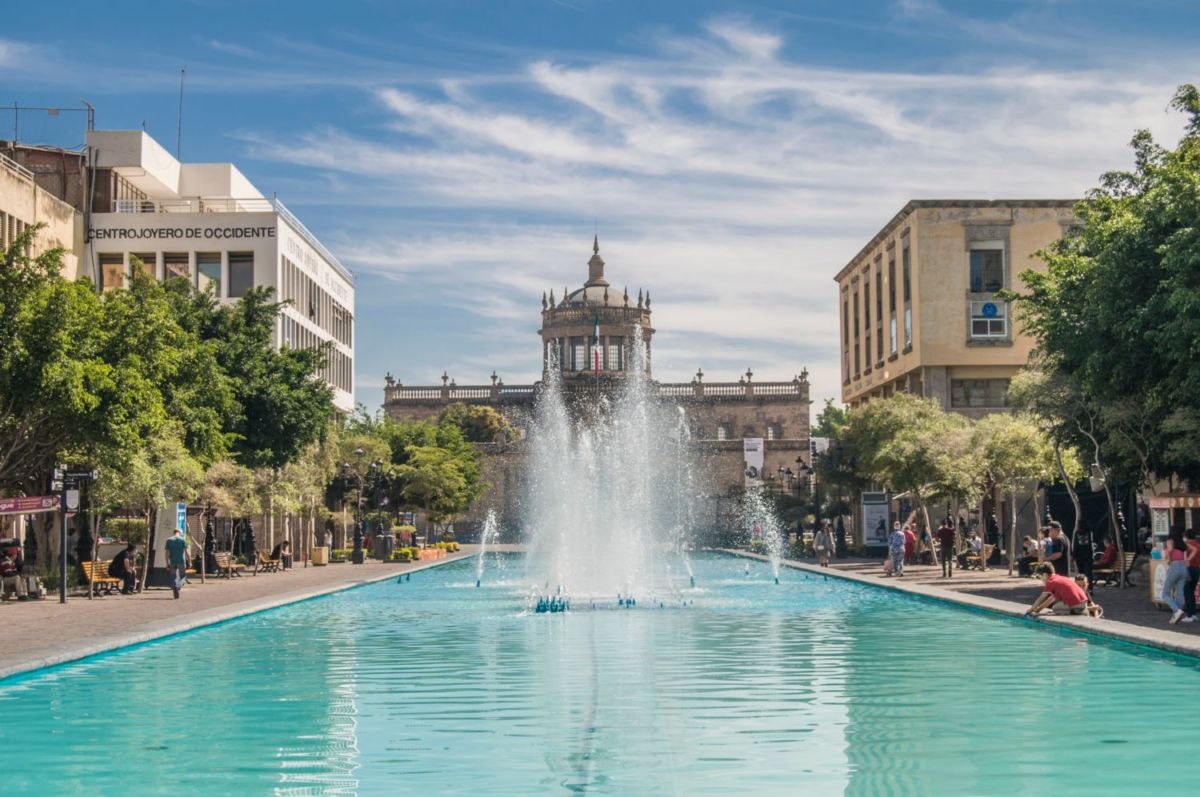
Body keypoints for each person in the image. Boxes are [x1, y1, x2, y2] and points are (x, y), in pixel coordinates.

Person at [1161, 528, 1190, 624]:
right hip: (1183, 568)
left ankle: (1177, 611)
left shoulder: (1170, 541)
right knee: (1179, 592)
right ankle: (1176, 614)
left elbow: (1170, 549)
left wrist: (1168, 558)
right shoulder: (1181, 544)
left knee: (1165, 593)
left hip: (1174, 566)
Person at [164, 529, 188, 599]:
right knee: (183, 575)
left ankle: (174, 586)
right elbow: (186, 552)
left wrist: (167, 562)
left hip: (172, 561)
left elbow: (167, 553)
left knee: (173, 576)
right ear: (180, 533)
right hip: (181, 561)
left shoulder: (169, 540)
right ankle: (178, 586)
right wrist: (189, 560)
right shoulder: (182, 540)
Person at [1183, 529, 1200, 623]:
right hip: (1197, 569)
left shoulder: (1186, 546)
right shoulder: (1198, 545)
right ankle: (1193, 614)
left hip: (1188, 569)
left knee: (1187, 592)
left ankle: (1190, 615)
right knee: (1192, 592)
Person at [1073, 526, 1095, 591]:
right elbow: (1090, 544)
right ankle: (1090, 588)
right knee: (1089, 573)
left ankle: (1080, 588)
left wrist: (1074, 555)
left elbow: (1075, 544)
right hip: (1088, 555)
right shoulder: (1089, 532)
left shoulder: (1077, 533)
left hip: (1079, 555)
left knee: (1081, 573)